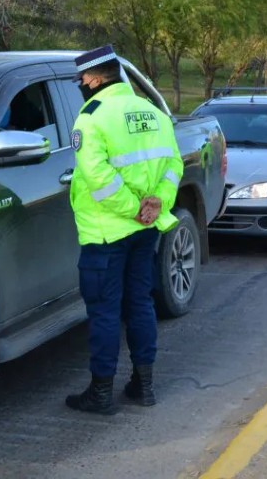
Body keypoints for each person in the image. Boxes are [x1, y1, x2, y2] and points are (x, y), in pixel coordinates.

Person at [65, 44, 184, 414]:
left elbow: (98, 180)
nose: (81, 85)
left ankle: (101, 393)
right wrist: (156, 204)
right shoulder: (152, 112)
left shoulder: (92, 117)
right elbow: (173, 166)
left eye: (82, 79)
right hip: (145, 229)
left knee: (103, 311)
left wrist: (133, 209)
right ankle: (143, 386)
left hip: (106, 232)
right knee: (140, 303)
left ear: (97, 79)